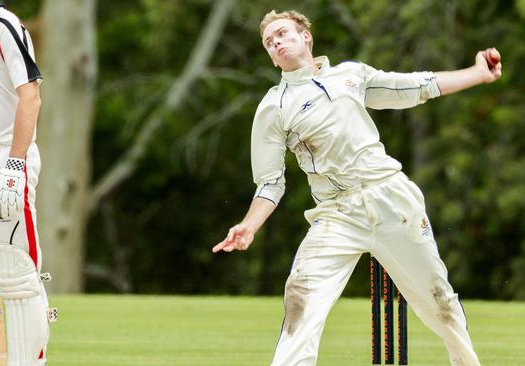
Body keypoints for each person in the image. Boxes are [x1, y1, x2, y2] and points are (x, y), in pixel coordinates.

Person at [213, 9, 502, 366]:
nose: (276, 42)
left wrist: (476, 73)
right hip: (336, 213)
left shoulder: (351, 75)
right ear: (270, 56)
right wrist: (249, 225)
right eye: (269, 42)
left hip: (392, 199)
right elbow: (271, 183)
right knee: (301, 298)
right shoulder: (273, 107)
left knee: (439, 302)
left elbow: (414, 87)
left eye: (283, 33)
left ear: (306, 36)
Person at [0, 2, 53, 365]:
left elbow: (31, 96)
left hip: (5, 156)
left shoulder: (4, 25)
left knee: (16, 270)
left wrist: (15, 164)